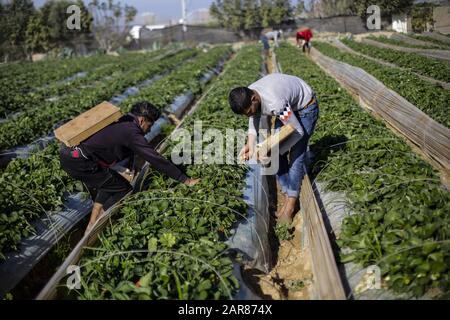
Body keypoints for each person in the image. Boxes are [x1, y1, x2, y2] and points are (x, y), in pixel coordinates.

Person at [59, 101, 200, 234]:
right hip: (80, 162)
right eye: (150, 126)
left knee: (110, 182)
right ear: (142, 120)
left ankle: (91, 223)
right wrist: (185, 179)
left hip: (71, 154)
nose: (149, 130)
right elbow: (154, 158)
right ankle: (96, 228)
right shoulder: (131, 131)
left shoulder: (124, 121)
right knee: (124, 190)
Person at [228, 74, 319, 224]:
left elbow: (297, 131)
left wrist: (271, 148)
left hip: (305, 108)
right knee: (275, 152)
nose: (249, 115)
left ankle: (290, 205)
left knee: (296, 155)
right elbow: (253, 118)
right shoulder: (249, 93)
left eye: (249, 111)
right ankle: (286, 190)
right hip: (289, 107)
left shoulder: (276, 103)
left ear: (254, 99)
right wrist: (250, 145)